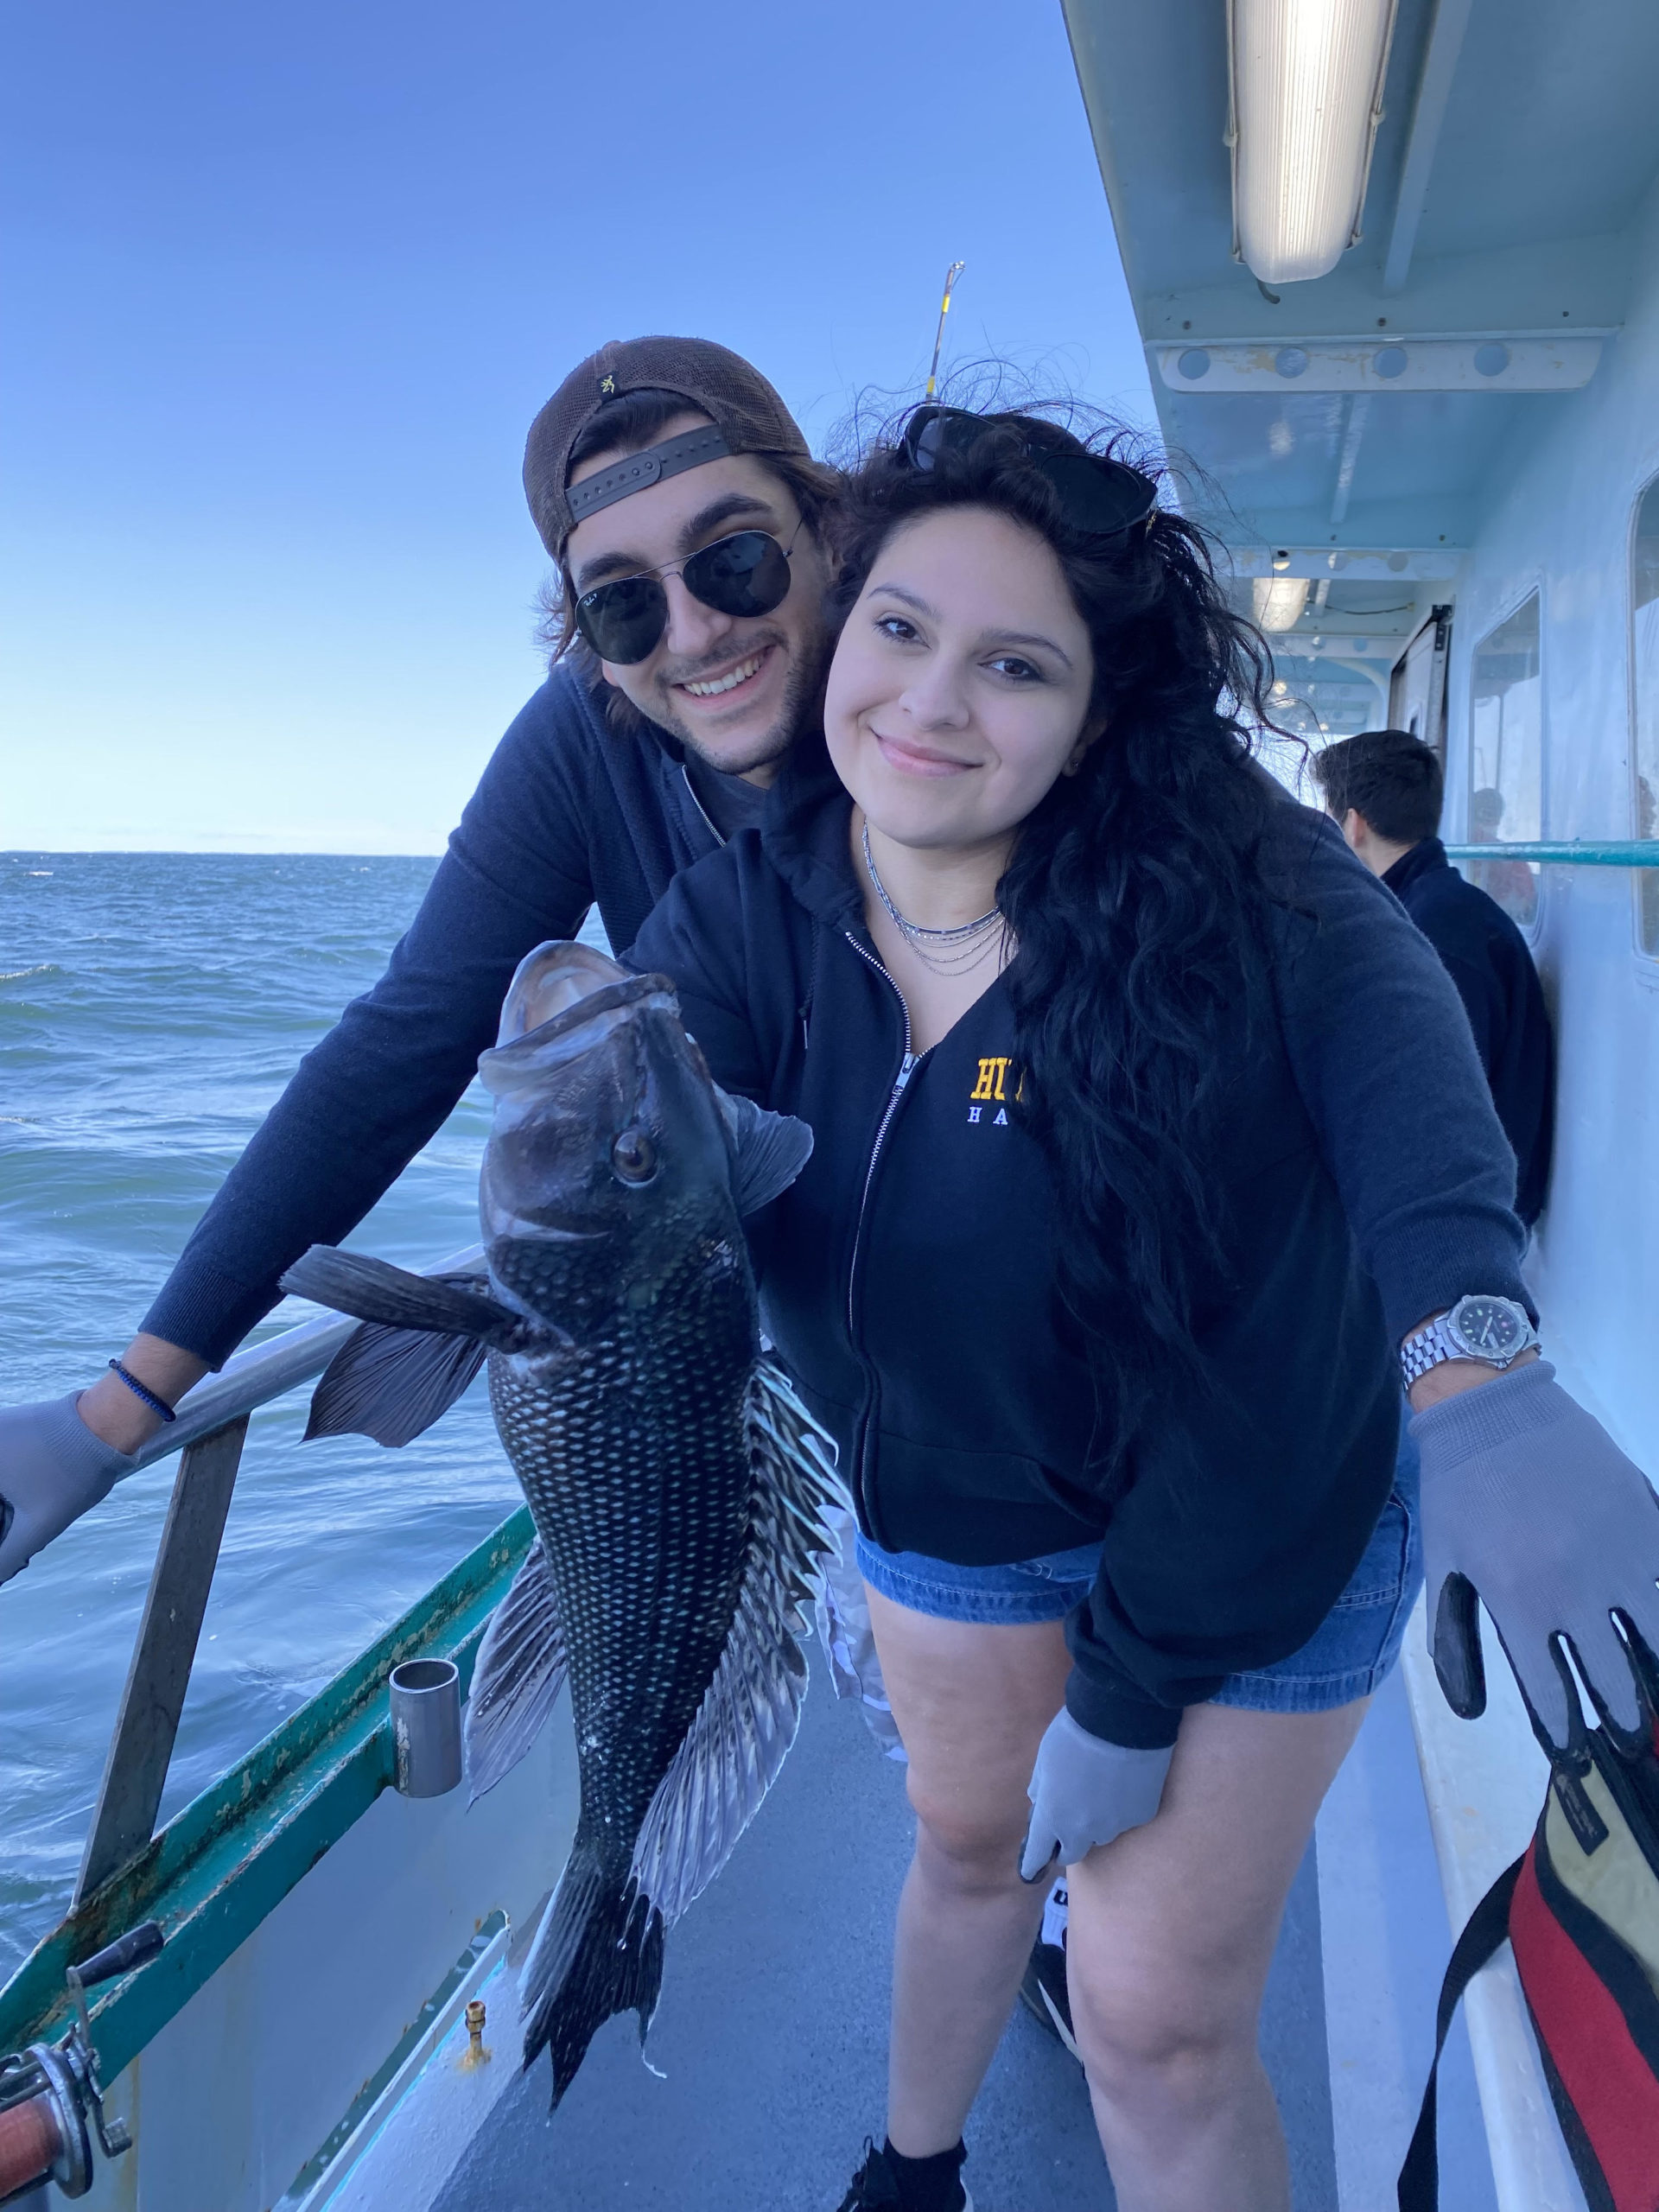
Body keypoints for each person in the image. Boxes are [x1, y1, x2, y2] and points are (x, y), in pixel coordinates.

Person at [622, 404, 1659, 2212]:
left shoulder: (1228, 886)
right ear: (838, 632)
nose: (934, 701)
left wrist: (1475, 1368)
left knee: (1151, 2014)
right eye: (899, 629)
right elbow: (617, 1087)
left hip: (1256, 1502)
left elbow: (1394, 1056)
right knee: (968, 1850)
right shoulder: (748, 904)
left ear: (1097, 713)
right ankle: (910, 2172)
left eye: (1015, 664)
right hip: (962, 1496)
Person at [0, 334, 842, 1579]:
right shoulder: (587, 732)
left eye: (737, 558)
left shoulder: (942, 706)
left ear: (829, 530)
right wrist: (117, 1408)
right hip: (776, 1363)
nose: (698, 629)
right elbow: (400, 1047)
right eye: (622, 603)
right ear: (583, 633)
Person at [1313, 728, 1554, 1226]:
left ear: (1353, 825)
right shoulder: (1434, 905)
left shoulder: (1431, 933)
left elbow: (1438, 1108)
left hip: (1467, 1219)